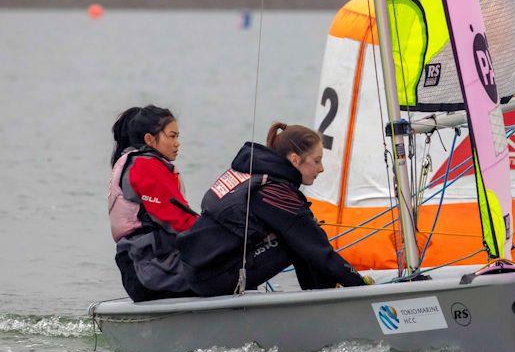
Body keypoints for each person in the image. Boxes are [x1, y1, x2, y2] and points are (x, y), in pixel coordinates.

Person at [178, 122, 368, 296]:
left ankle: (324, 293)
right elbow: (318, 249)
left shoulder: (256, 173)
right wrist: (360, 287)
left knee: (301, 235)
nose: (321, 169)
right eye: (317, 161)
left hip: (200, 269)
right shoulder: (274, 191)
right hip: (211, 278)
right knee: (300, 239)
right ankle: (326, 299)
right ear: (295, 159)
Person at [109, 105, 198, 302]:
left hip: (143, 266)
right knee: (228, 270)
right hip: (150, 269)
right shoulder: (144, 166)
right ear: (148, 138)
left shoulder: (131, 162)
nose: (177, 143)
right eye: (172, 136)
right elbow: (179, 221)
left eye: (177, 137)